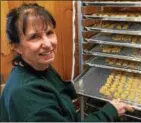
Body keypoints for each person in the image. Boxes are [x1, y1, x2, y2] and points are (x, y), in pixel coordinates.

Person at [0, 3, 134, 122]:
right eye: (34, 37)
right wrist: (109, 112)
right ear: (16, 47)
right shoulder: (27, 95)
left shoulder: (38, 67)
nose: (47, 44)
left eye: (49, 32)